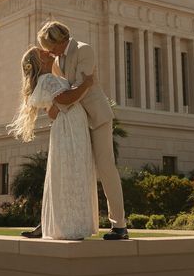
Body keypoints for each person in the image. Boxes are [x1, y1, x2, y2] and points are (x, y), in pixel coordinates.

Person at [32, 20, 128, 241]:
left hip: (96, 118)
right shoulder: (57, 60)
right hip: (74, 122)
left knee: (106, 169)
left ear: (61, 39)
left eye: (50, 46)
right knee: (63, 170)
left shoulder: (84, 50)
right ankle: (49, 222)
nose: (50, 51)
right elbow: (61, 88)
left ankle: (119, 226)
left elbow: (79, 88)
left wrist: (56, 108)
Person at [9, 46, 99, 240]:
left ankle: (60, 224)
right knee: (70, 172)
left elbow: (56, 107)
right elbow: (67, 99)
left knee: (72, 172)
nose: (46, 51)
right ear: (39, 62)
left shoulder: (53, 77)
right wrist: (87, 84)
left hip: (73, 125)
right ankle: (67, 226)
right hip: (68, 129)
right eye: (41, 52)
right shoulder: (47, 79)